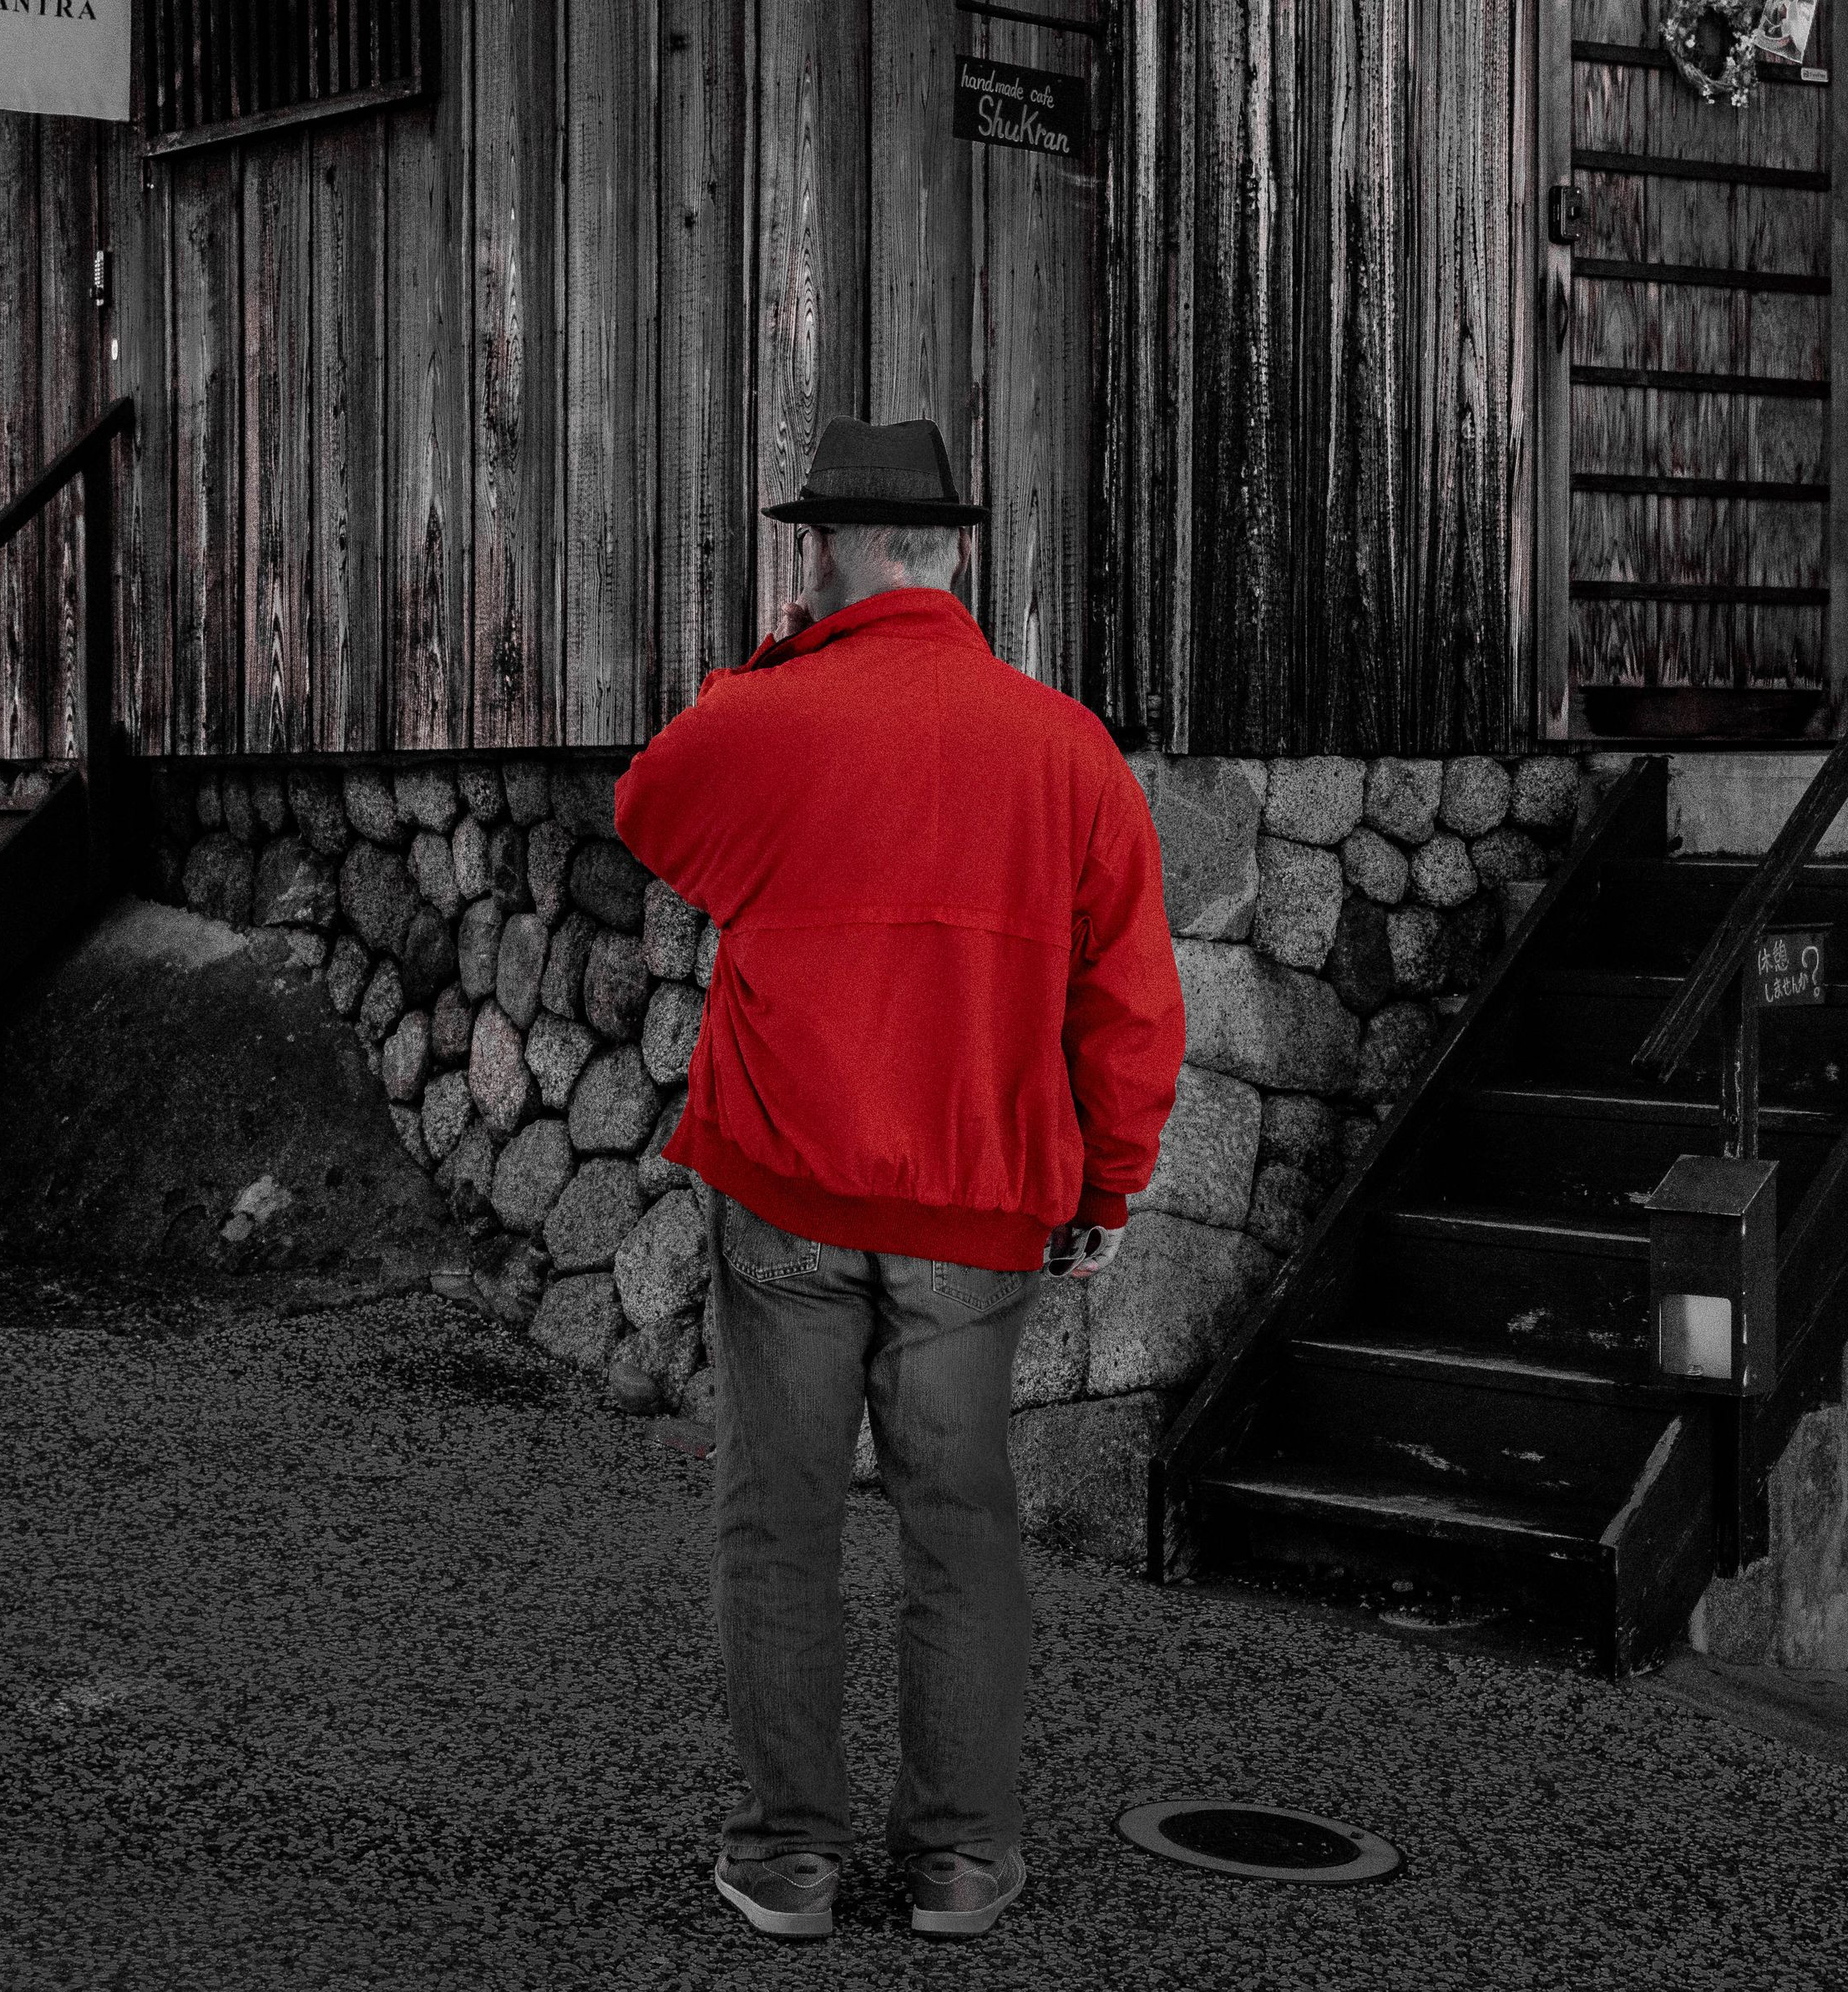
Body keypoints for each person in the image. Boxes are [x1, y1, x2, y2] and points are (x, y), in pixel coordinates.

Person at [613, 417, 1185, 1943]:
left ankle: (787, 1862)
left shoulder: (770, 716)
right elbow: (1131, 1005)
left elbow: (650, 804)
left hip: (789, 1182)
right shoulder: (1065, 746)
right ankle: (960, 1862)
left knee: (778, 1523)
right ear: (950, 552)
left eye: (809, 546)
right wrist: (1108, 1184)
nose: (802, 568)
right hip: (975, 1207)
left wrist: (778, 661)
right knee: (960, 1525)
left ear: (840, 550)